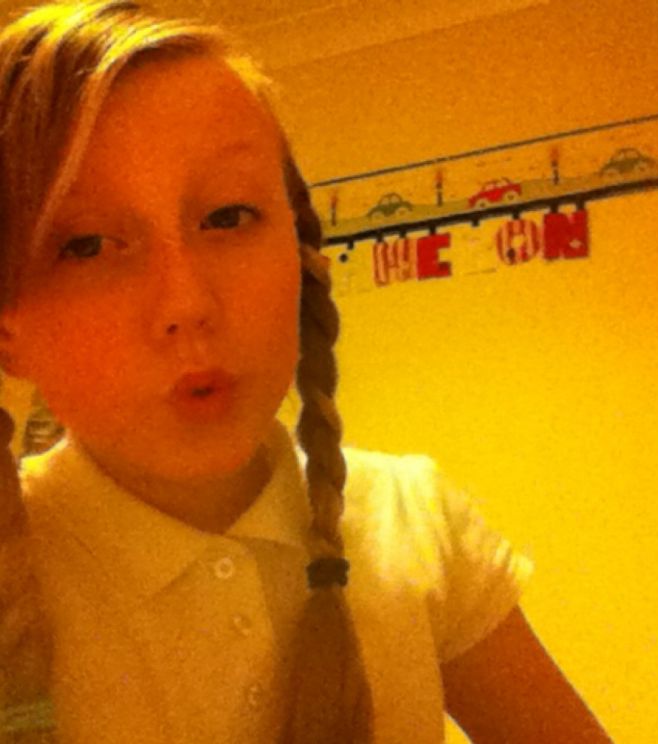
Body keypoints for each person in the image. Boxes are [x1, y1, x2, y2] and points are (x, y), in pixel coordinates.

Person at [0, 1, 612, 742]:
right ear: (8, 330)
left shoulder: (412, 526)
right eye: (88, 245)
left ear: (299, 248)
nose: (187, 304)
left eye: (228, 216)